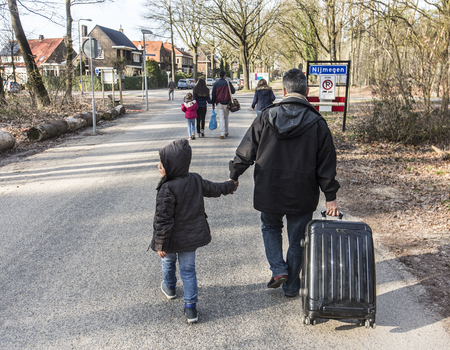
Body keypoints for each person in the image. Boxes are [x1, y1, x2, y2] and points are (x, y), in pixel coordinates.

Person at [228, 68, 340, 297]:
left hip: (269, 187)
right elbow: (326, 164)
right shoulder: (317, 123)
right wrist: (330, 197)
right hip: (302, 191)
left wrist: (234, 174)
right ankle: (291, 287)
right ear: (306, 91)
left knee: (270, 227)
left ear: (284, 90)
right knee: (298, 239)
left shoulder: (266, 117)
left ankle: (279, 269)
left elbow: (246, 149)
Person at [150, 139, 236, 323]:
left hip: (171, 239)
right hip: (190, 237)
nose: (158, 166)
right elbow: (214, 188)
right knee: (188, 270)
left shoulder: (167, 188)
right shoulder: (195, 179)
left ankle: (170, 287)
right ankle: (191, 308)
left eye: (162, 163)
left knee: (168, 261)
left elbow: (163, 220)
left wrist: (160, 244)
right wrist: (229, 186)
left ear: (173, 166)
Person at [212, 71, 235, 139]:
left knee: (221, 118)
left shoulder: (215, 84)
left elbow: (213, 95)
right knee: (226, 117)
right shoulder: (228, 83)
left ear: (219, 76)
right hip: (227, 103)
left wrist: (213, 103)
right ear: (225, 76)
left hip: (219, 103)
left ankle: (222, 133)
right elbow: (233, 91)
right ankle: (226, 132)